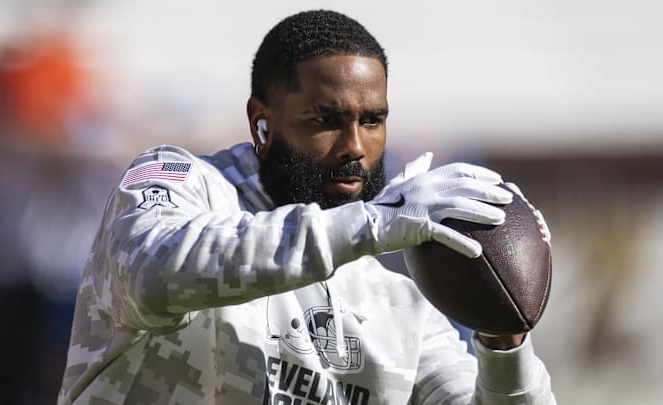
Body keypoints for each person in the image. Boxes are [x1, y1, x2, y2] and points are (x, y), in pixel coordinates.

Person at [58, 10, 555, 404]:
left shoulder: (400, 303)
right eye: (326, 120)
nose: (355, 146)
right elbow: (154, 273)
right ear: (262, 123)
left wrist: (503, 339)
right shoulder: (184, 182)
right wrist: (374, 223)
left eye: (373, 120)